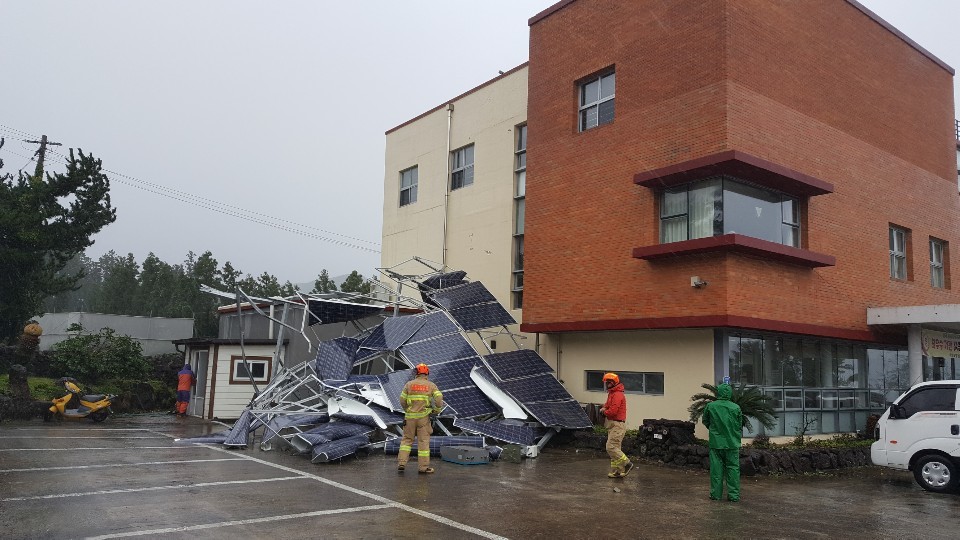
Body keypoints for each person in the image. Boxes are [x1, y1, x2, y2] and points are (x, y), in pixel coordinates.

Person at [397, 363, 444, 474]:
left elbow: (402, 400)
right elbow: (439, 398)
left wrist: (407, 410)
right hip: (423, 418)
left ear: (416, 373)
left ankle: (401, 464)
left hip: (409, 418)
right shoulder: (431, 385)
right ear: (427, 373)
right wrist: (436, 410)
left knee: (406, 441)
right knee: (423, 442)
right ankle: (423, 467)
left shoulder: (409, 384)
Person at [701, 383, 743, 502]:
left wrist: (714, 430)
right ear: (730, 393)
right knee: (733, 469)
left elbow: (705, 421)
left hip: (716, 443)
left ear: (718, 392)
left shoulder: (711, 406)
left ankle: (716, 495)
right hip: (732, 443)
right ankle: (733, 496)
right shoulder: (736, 407)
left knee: (716, 469)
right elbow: (739, 424)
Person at [599, 372, 633, 478]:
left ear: (614, 383)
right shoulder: (612, 394)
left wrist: (604, 412)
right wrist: (604, 408)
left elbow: (613, 411)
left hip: (617, 424)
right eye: (606, 382)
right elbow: (608, 405)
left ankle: (627, 464)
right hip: (613, 424)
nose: (607, 384)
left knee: (610, 447)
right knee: (615, 447)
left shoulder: (617, 394)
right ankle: (618, 471)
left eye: (609, 382)